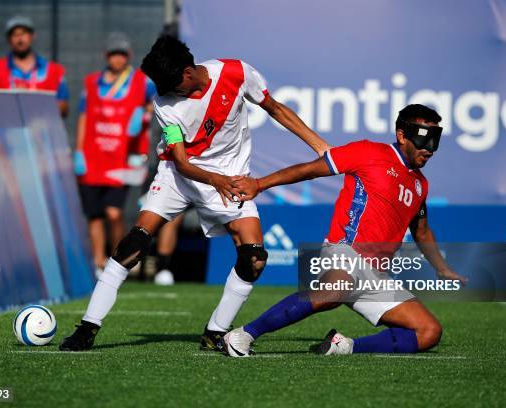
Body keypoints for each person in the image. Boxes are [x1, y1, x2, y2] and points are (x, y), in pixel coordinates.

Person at [59, 36, 330, 352]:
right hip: (179, 177)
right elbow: (183, 163)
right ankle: (88, 328)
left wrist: (322, 148)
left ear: (188, 73)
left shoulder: (236, 73)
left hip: (228, 180)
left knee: (254, 258)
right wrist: (214, 178)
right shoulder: (164, 104)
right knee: (131, 246)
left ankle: (215, 332)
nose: (162, 93)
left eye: (169, 84)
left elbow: (275, 109)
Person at [224, 104, 468, 357]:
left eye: (435, 139)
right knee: (333, 292)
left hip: (377, 275)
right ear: (402, 135)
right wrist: (259, 185)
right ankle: (243, 334)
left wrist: (441, 267)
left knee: (429, 332)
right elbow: (309, 169)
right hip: (345, 251)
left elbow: (422, 231)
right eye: (423, 138)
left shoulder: (419, 184)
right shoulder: (367, 151)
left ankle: (344, 346)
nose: (428, 147)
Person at [74, 32, 154, 276]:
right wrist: (78, 151)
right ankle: (98, 261)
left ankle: (118, 259)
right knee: (95, 215)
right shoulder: (91, 83)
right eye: (113, 54)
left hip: (122, 159)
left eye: (121, 54)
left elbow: (157, 102)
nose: (117, 59)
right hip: (93, 156)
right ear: (106, 56)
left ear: (128, 56)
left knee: (114, 212)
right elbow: (84, 116)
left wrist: (144, 113)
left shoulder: (141, 82)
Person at [0, 16, 69, 117]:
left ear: (33, 36)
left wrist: (32, 101)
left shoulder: (53, 71)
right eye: (14, 34)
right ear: (8, 39)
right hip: (6, 130)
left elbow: (64, 109)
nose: (20, 39)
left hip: (40, 131)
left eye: (23, 33)